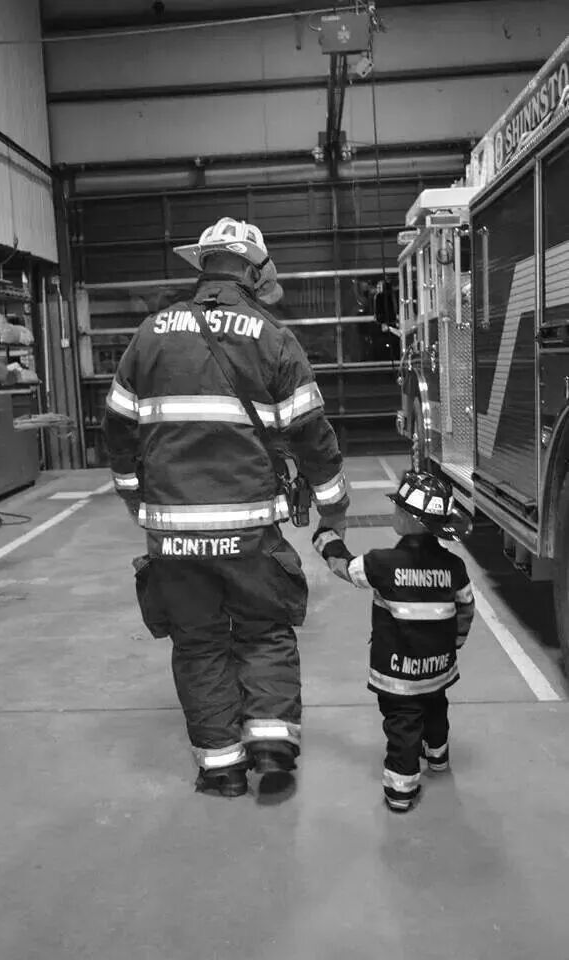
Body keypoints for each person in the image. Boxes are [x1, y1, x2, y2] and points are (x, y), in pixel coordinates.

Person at [102, 217, 349, 799]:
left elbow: (116, 428)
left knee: (199, 644)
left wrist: (134, 495)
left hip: (173, 538)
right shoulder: (272, 337)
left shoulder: (150, 334)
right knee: (264, 631)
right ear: (251, 268)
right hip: (249, 532)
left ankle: (222, 769)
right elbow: (313, 434)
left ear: (204, 266)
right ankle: (270, 741)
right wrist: (334, 508)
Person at [313, 471, 475, 812]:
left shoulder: (381, 565)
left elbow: (345, 568)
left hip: (398, 676)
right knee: (436, 709)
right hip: (438, 669)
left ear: (405, 518)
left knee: (403, 729)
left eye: (398, 509)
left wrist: (326, 539)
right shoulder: (454, 566)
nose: (394, 514)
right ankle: (438, 758)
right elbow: (466, 609)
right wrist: (454, 644)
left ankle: (400, 793)